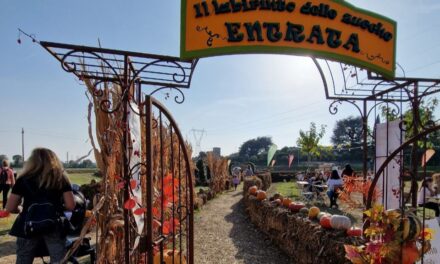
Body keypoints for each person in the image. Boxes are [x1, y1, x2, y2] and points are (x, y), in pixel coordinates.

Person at [4, 148, 76, 264]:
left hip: (27, 225)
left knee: (23, 259)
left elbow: (10, 207)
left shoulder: (23, 179)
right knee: (58, 260)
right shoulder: (61, 178)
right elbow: (71, 205)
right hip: (53, 224)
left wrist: (21, 209)